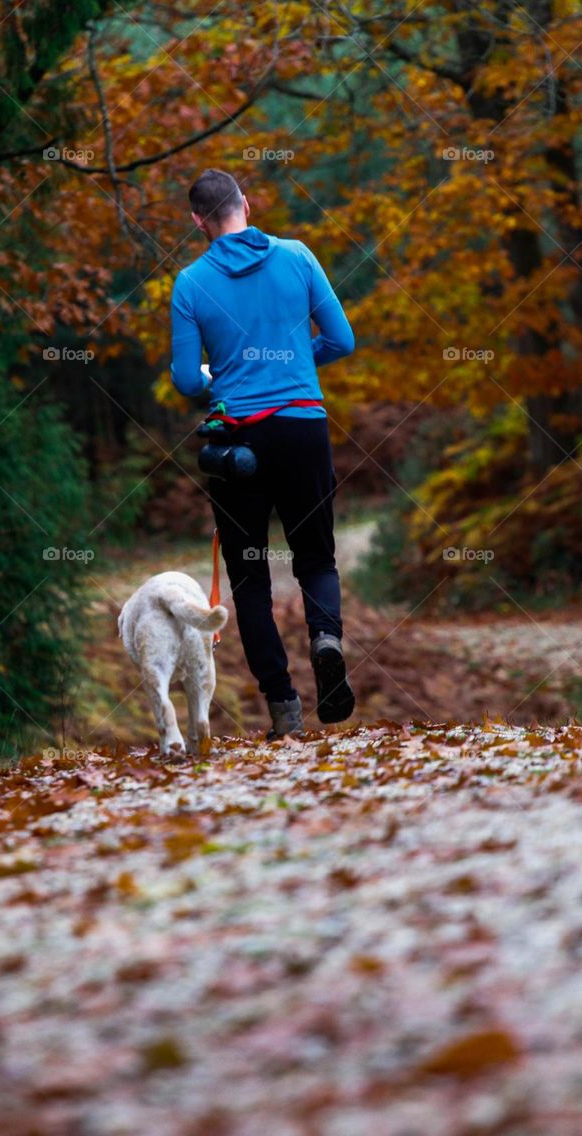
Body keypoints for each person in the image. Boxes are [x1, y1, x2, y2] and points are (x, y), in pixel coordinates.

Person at [170, 167, 356, 741]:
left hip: (237, 442)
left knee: (249, 579)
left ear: (198, 221)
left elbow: (183, 378)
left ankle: (284, 708)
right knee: (317, 560)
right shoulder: (298, 256)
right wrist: (293, 363)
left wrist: (224, 378)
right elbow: (343, 340)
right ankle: (326, 641)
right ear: (245, 204)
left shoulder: (190, 283)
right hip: (303, 427)